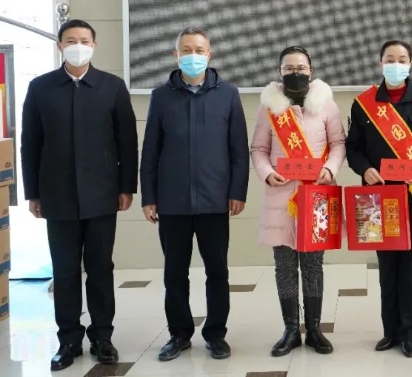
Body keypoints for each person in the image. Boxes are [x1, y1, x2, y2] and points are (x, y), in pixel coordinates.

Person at [21, 19, 138, 371]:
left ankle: (102, 336)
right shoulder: (41, 88)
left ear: (94, 45)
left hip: (102, 195)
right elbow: (31, 144)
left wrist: (126, 187)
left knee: (100, 267)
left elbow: (127, 142)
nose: (78, 46)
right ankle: (69, 339)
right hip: (57, 196)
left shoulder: (112, 87)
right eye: (71, 40)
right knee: (66, 269)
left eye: (84, 40)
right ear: (60, 46)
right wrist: (33, 192)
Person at [140, 28, 249, 362]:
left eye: (199, 50)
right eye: (186, 50)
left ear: (209, 54)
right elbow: (150, 151)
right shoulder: (161, 96)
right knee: (174, 273)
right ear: (176, 55)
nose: (192, 55)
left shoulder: (228, 94)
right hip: (172, 202)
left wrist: (237, 191)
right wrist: (149, 197)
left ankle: (215, 334)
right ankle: (179, 334)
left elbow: (238, 150)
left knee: (217, 271)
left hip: (215, 200)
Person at [345, 40, 412, 358]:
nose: (396, 64)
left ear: (410, 64)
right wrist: (365, 169)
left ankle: (410, 332)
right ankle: (390, 331)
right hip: (376, 196)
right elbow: (353, 147)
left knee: (411, 263)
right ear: (381, 64)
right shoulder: (363, 105)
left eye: (402, 59)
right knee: (386, 264)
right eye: (390, 59)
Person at [250, 46, 346, 357]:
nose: (296, 73)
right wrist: (267, 173)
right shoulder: (269, 107)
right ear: (280, 72)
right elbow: (258, 149)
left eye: (301, 68)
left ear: (311, 70)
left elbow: (338, 143)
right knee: (285, 265)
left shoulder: (326, 103)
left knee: (313, 265)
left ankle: (314, 329)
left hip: (316, 194)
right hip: (280, 196)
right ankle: (291, 330)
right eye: (289, 68)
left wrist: (330, 169)